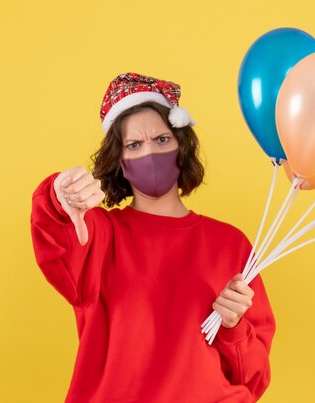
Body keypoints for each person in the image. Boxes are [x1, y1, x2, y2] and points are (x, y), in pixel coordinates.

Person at [30, 72, 276, 403]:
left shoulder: (231, 245)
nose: (150, 154)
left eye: (161, 139)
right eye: (134, 144)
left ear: (182, 144)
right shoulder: (100, 233)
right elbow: (55, 234)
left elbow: (254, 378)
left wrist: (233, 326)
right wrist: (59, 194)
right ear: (118, 162)